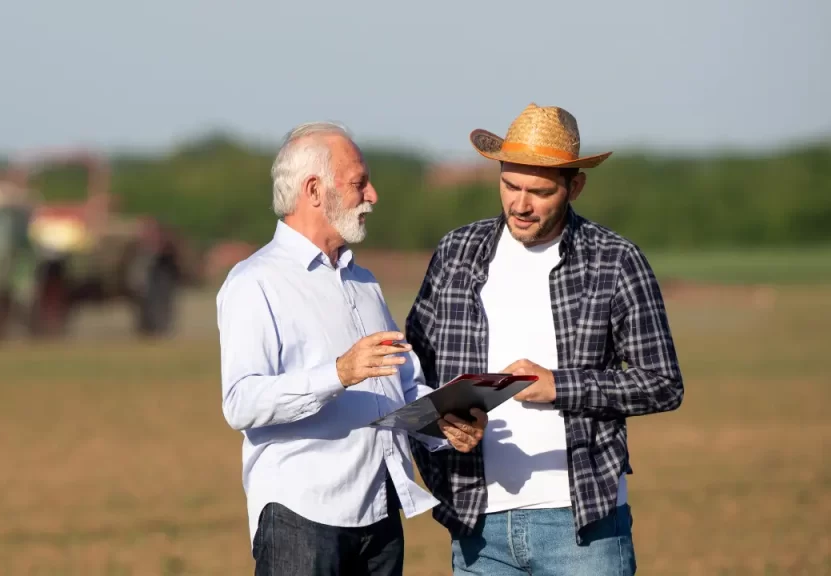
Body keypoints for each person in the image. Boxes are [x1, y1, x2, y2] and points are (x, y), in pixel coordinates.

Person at [405, 103, 684, 575]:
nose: (520, 204)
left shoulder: (616, 260)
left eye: (539, 191)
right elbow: (414, 373)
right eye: (510, 185)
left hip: (583, 527)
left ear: (575, 186)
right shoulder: (455, 253)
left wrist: (559, 386)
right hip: (477, 528)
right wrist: (443, 427)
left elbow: (662, 383)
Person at [216, 121, 491, 576]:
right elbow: (240, 403)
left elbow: (400, 391)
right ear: (314, 190)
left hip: (380, 513)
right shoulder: (254, 282)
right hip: (300, 519)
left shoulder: (363, 282)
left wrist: (442, 422)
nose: (373, 195)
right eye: (359, 183)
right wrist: (338, 373)